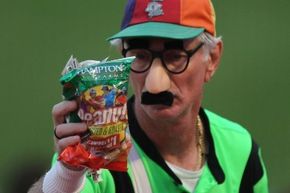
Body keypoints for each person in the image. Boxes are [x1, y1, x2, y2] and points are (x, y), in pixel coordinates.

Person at [29, 0, 269, 192]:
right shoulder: (98, 151)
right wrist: (67, 173)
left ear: (212, 59)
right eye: (139, 56)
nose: (155, 85)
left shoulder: (240, 150)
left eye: (175, 56)